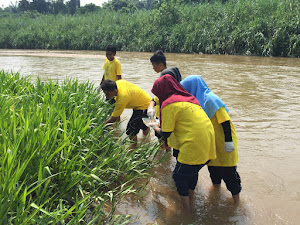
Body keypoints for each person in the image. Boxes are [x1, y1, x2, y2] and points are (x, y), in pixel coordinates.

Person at [150, 75, 216, 213]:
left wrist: (153, 126)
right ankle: (190, 198)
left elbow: (166, 133)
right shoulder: (191, 99)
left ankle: (186, 211)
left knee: (178, 176)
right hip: (208, 143)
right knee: (192, 171)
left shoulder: (169, 104)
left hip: (193, 145)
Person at [180, 75, 241, 203]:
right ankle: (216, 190)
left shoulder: (212, 99)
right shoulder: (196, 102)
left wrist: (228, 141)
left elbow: (225, 122)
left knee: (229, 173)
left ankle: (237, 201)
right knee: (213, 169)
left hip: (224, 141)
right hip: (211, 142)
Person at [148, 50, 182, 153]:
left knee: (166, 139)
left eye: (154, 66)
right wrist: (151, 105)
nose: (153, 68)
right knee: (164, 139)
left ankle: (165, 159)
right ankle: (164, 158)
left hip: (166, 113)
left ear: (161, 64)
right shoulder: (171, 73)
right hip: (163, 112)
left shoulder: (165, 76)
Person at [100, 79, 151, 147]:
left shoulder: (122, 97)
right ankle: (147, 140)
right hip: (142, 101)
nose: (106, 96)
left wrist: (102, 128)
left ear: (113, 91)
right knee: (141, 123)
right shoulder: (118, 83)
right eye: (105, 93)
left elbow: (114, 118)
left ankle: (134, 148)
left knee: (131, 130)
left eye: (107, 94)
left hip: (145, 106)